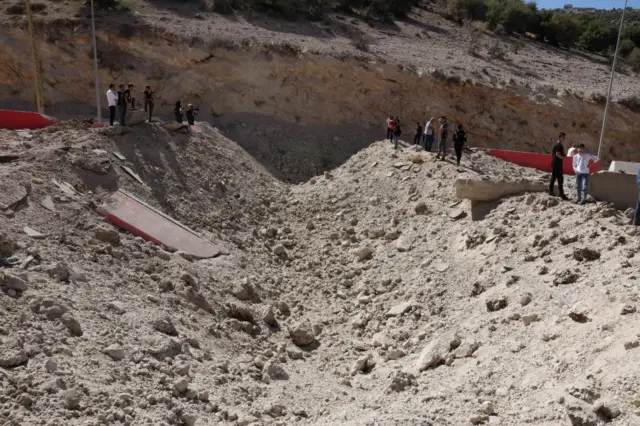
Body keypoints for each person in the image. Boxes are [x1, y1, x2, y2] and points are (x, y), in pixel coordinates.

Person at [549, 132, 568, 200]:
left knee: (553, 178)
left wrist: (563, 155)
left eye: (564, 137)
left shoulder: (557, 145)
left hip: (555, 164)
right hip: (557, 164)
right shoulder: (558, 145)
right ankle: (561, 194)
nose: (563, 139)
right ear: (559, 137)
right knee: (560, 179)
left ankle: (550, 191)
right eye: (562, 137)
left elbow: (558, 154)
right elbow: (557, 154)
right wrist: (563, 158)